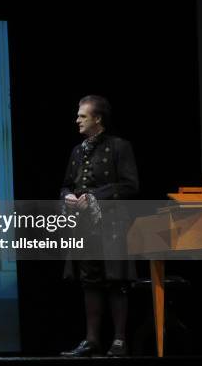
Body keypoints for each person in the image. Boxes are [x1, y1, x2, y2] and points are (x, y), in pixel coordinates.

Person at [59, 95, 138, 357]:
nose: (77, 120)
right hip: (84, 226)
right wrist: (67, 197)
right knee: (89, 282)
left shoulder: (119, 147)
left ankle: (119, 340)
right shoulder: (77, 150)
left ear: (98, 118)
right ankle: (92, 340)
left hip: (111, 224)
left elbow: (130, 186)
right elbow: (67, 184)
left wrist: (95, 198)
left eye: (82, 116)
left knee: (115, 281)